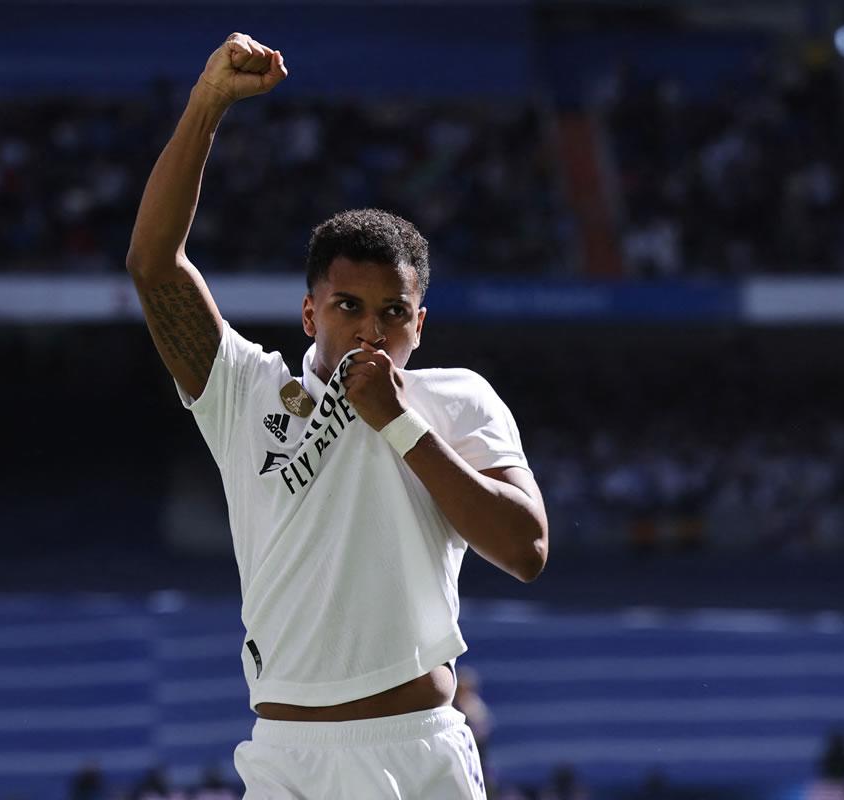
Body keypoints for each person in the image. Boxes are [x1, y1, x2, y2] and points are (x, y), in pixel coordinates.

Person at [125, 32, 548, 799]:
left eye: (394, 312)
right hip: (289, 757)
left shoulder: (458, 399)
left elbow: (526, 548)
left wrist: (400, 425)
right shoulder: (245, 393)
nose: (370, 328)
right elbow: (154, 267)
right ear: (308, 310)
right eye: (348, 306)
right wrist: (207, 106)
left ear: (421, 323)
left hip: (418, 751)